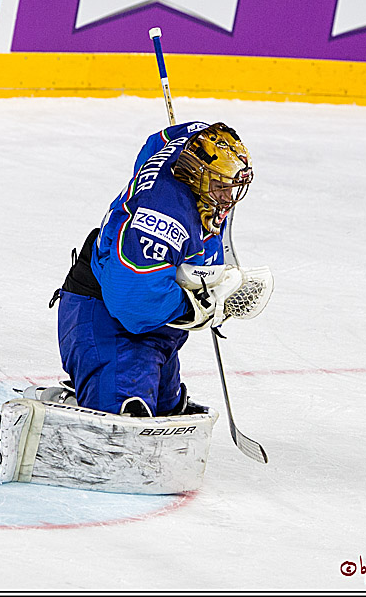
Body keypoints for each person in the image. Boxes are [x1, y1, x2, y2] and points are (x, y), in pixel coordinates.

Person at [49, 120, 254, 418]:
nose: (228, 198)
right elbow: (132, 305)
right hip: (108, 322)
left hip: (152, 327)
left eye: (231, 186)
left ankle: (93, 393)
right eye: (220, 187)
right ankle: (82, 401)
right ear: (196, 175)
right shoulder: (162, 219)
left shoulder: (189, 142)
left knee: (167, 411)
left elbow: (159, 140)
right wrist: (195, 306)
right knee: (126, 424)